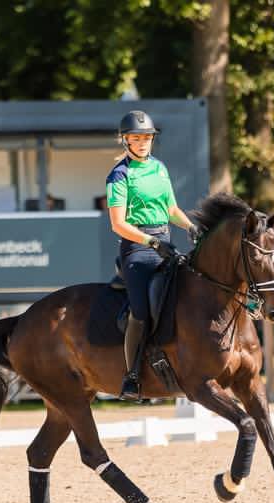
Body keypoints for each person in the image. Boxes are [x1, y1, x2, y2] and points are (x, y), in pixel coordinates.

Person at [106, 110, 198, 400]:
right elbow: (117, 223)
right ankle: (132, 376)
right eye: (137, 137)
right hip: (137, 249)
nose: (143, 142)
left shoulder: (159, 168)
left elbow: (171, 210)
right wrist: (151, 242)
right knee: (142, 311)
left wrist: (191, 226)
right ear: (126, 140)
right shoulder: (119, 175)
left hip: (166, 243)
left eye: (147, 137)